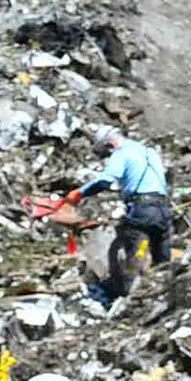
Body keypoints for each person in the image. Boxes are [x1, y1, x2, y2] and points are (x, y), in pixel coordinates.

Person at [67, 127, 172, 304]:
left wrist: (80, 193)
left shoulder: (121, 153)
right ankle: (165, 291)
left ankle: (126, 296)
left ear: (110, 144)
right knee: (162, 254)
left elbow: (106, 180)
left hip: (141, 209)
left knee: (134, 250)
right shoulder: (149, 151)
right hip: (162, 209)